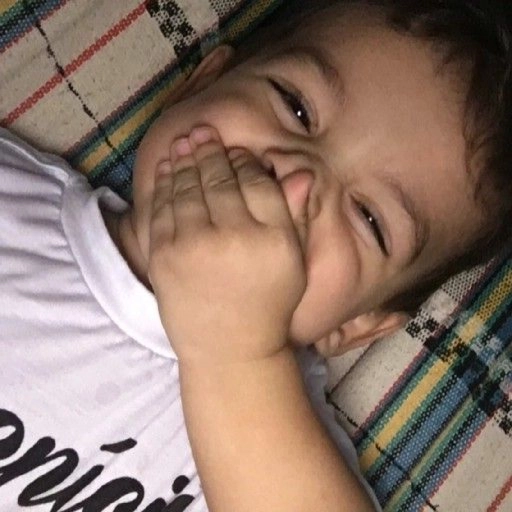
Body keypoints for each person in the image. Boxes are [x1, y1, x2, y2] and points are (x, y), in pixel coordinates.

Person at [1, 0, 511, 510]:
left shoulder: (292, 463)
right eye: (296, 108)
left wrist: (237, 357)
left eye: (369, 219)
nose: (295, 183)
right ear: (201, 85)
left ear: (356, 324)